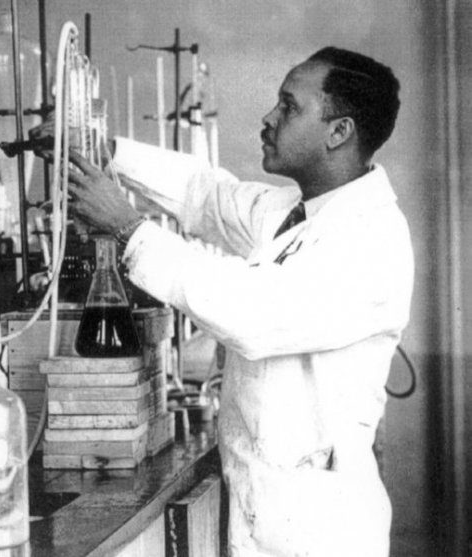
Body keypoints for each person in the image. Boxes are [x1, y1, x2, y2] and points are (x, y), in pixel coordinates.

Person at [35, 47, 413, 557]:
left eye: (289, 106)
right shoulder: (295, 212)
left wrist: (126, 227)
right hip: (269, 515)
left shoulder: (371, 240)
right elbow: (204, 194)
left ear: (338, 132)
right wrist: (104, 150)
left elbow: (251, 315)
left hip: (318, 533)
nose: (269, 117)